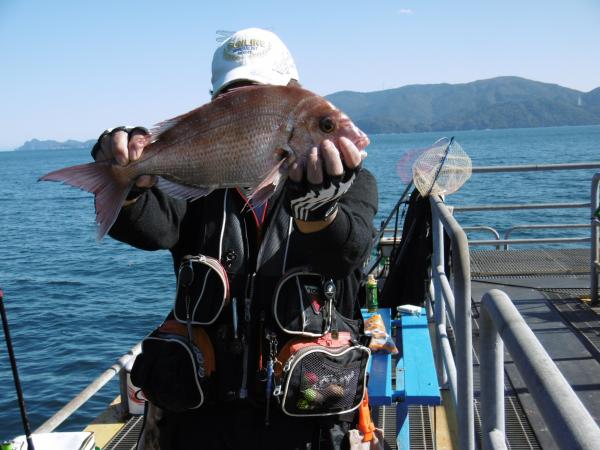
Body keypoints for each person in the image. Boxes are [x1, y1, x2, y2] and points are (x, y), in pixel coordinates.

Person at [92, 28, 378, 450]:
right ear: (215, 105)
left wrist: (319, 209)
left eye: (259, 93)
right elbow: (152, 228)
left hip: (304, 418)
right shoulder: (200, 187)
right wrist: (127, 177)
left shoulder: (350, 183)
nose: (246, 107)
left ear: (291, 92)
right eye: (231, 98)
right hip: (201, 417)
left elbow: (347, 255)